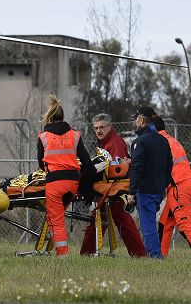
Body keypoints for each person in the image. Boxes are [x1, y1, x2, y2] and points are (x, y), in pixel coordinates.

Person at [37, 94, 104, 256]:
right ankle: (57, 250)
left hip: (54, 183)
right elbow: (87, 163)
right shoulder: (75, 135)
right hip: (72, 183)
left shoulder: (43, 137)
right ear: (62, 117)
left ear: (50, 118)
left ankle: (63, 254)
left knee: (57, 220)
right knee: (55, 218)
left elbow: (41, 164)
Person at [80, 113, 146, 257]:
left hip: (115, 189)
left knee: (118, 218)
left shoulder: (114, 143)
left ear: (110, 127)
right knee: (103, 218)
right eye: (96, 128)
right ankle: (87, 252)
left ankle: (139, 254)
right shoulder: (106, 143)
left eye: (102, 127)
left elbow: (117, 170)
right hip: (109, 189)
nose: (99, 131)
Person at [127, 107, 172, 259]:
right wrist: (164, 185)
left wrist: (131, 192)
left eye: (136, 120)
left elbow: (136, 168)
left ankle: (154, 257)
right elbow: (169, 165)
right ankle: (154, 254)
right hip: (158, 190)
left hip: (145, 190)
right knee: (151, 222)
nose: (135, 123)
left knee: (148, 226)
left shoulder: (140, 142)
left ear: (141, 120)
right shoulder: (163, 140)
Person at [153, 116, 191, 256]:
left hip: (178, 187)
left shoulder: (160, 143)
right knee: (165, 223)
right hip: (182, 184)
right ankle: (160, 257)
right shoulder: (172, 140)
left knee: (185, 225)